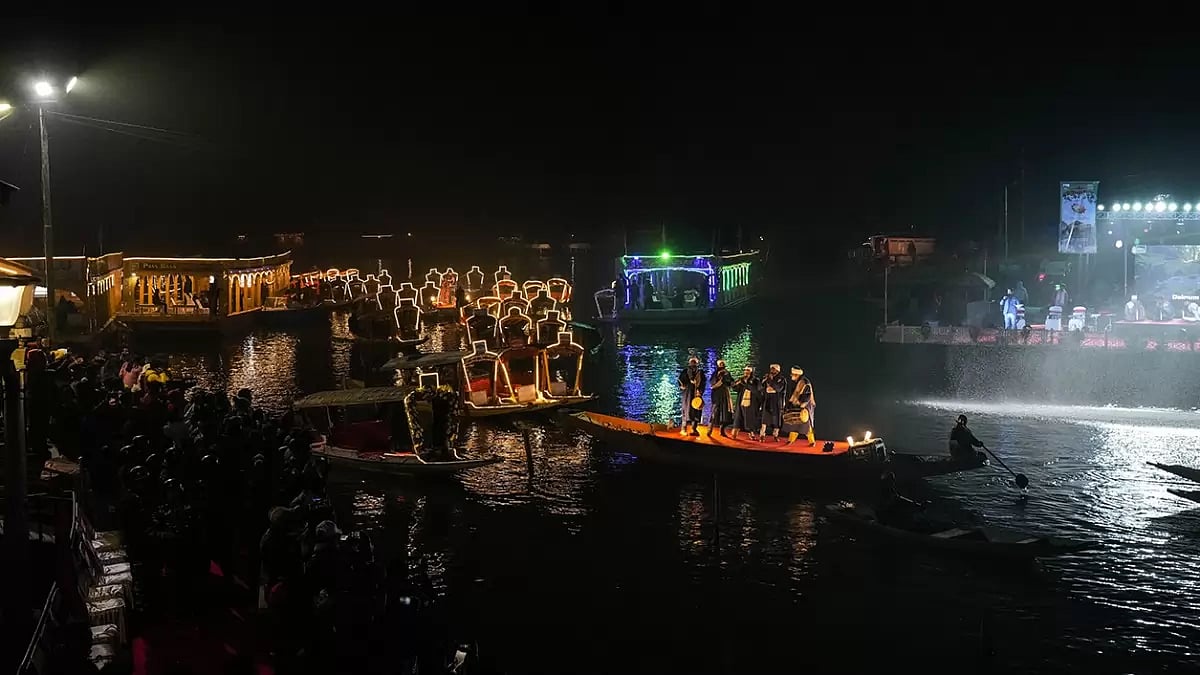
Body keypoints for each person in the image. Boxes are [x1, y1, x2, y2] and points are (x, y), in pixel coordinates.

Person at [782, 367, 815, 446]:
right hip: (796, 405)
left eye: (792, 374)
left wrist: (801, 405)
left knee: (806, 425)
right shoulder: (795, 382)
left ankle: (812, 441)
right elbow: (793, 395)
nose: (791, 375)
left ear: (797, 374)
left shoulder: (805, 382)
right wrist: (789, 405)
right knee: (794, 423)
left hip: (805, 406)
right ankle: (791, 440)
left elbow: (807, 396)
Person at [676, 356, 706, 436]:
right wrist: (682, 386)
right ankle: (683, 429)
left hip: (696, 394)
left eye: (694, 362)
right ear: (689, 363)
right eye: (692, 362)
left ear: (697, 363)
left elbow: (703, 383)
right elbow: (680, 381)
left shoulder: (700, 372)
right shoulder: (685, 372)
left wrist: (700, 391)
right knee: (686, 411)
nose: (693, 364)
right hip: (687, 394)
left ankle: (694, 429)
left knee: (696, 411)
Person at [730, 366, 760, 440]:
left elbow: (757, 391)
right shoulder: (741, 379)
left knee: (749, 418)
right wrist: (736, 384)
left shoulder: (756, 380)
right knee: (738, 417)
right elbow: (735, 388)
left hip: (750, 402)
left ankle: (751, 433)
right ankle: (734, 433)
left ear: (751, 372)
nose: (746, 372)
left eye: (748, 370)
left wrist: (746, 384)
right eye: (745, 370)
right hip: (741, 401)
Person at [757, 364, 785, 442]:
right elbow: (760, 388)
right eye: (771, 369)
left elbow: (778, 388)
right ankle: (762, 435)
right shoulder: (766, 377)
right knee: (765, 419)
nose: (772, 370)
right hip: (767, 400)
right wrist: (763, 381)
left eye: (773, 369)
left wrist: (771, 381)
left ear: (777, 371)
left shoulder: (781, 379)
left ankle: (775, 435)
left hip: (776, 401)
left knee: (776, 420)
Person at [708, 359, 733, 437]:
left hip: (724, 394)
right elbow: (712, 383)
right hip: (716, 395)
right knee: (714, 412)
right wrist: (719, 377)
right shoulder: (715, 373)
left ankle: (722, 430)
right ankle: (710, 429)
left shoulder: (727, 373)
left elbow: (730, 382)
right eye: (720, 364)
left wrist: (725, 378)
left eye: (723, 364)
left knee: (724, 413)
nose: (722, 365)